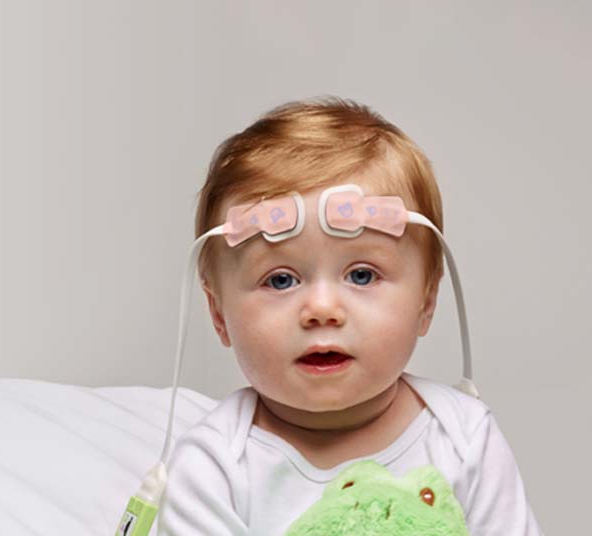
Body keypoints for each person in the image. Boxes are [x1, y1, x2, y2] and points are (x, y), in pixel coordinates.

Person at [156, 97, 543, 535]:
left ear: (426, 302)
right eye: (280, 280)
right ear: (218, 313)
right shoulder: (213, 467)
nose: (322, 310)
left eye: (362, 275)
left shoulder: (464, 439)